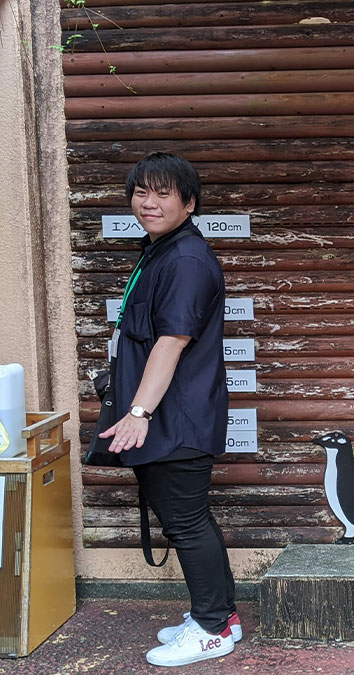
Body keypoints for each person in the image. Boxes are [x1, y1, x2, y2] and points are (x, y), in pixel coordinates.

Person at [98, 152, 240, 667]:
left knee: (185, 522)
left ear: (190, 203)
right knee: (190, 518)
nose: (148, 203)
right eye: (141, 192)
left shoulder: (184, 260)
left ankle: (211, 629)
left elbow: (172, 342)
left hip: (172, 416)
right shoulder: (160, 250)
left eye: (163, 193)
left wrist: (138, 411)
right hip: (165, 413)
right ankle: (222, 614)